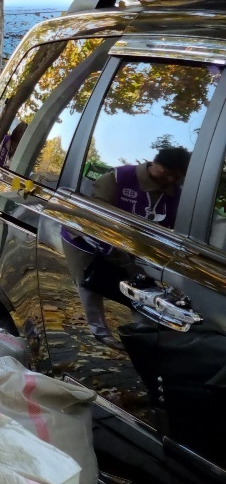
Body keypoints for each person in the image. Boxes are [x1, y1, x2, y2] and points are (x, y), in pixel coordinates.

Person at [63, 147, 189, 349]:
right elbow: (94, 220)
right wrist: (116, 255)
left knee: (139, 284)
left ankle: (142, 334)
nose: (170, 180)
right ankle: (99, 331)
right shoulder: (120, 177)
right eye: (166, 173)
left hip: (130, 245)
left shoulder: (175, 195)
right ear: (154, 163)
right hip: (86, 237)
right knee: (90, 280)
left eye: (177, 177)